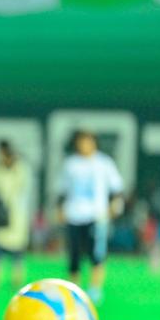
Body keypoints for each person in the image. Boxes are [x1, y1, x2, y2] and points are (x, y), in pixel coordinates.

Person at [57, 131, 124, 305]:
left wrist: (114, 207)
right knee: (74, 255)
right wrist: (60, 209)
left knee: (97, 254)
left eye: (87, 141)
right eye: (81, 141)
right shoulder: (71, 164)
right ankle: (74, 291)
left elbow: (117, 189)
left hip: (96, 216)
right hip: (74, 215)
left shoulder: (104, 163)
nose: (84, 145)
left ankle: (95, 290)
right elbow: (62, 190)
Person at [0, 140, 32, 288]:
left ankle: (17, 279)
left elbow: (22, 187)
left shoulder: (20, 169)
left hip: (15, 214)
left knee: (17, 251)